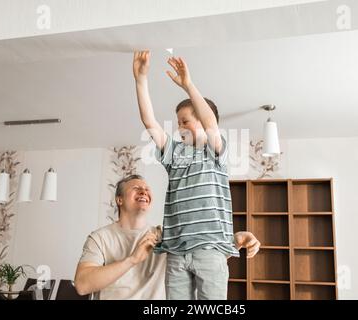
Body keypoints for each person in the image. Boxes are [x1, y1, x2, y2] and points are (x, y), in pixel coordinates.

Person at [133, 51, 246, 300]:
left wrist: (188, 86)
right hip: (176, 251)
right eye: (178, 123)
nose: (180, 128)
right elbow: (149, 122)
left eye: (185, 122)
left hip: (210, 250)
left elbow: (210, 124)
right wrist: (141, 79)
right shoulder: (174, 153)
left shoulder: (215, 151)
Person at [74, 175, 260, 300]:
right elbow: (82, 285)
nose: (144, 191)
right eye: (136, 188)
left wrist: (235, 242)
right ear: (119, 200)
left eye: (147, 189)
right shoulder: (99, 238)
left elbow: (202, 260)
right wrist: (132, 259)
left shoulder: (169, 234)